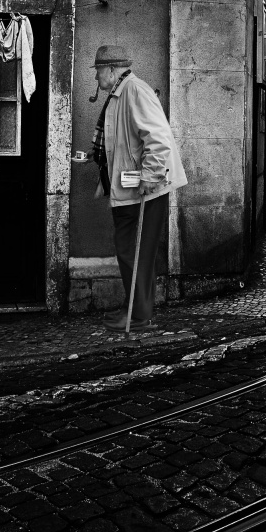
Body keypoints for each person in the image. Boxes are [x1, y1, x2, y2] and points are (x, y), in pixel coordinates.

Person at [87, 45, 187, 332]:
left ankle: (139, 316)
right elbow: (125, 139)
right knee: (131, 250)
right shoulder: (120, 93)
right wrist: (99, 155)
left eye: (97, 71)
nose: (96, 77)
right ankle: (135, 309)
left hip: (142, 188)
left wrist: (150, 175)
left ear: (111, 69)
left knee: (134, 251)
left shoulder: (135, 91)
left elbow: (158, 138)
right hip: (129, 186)